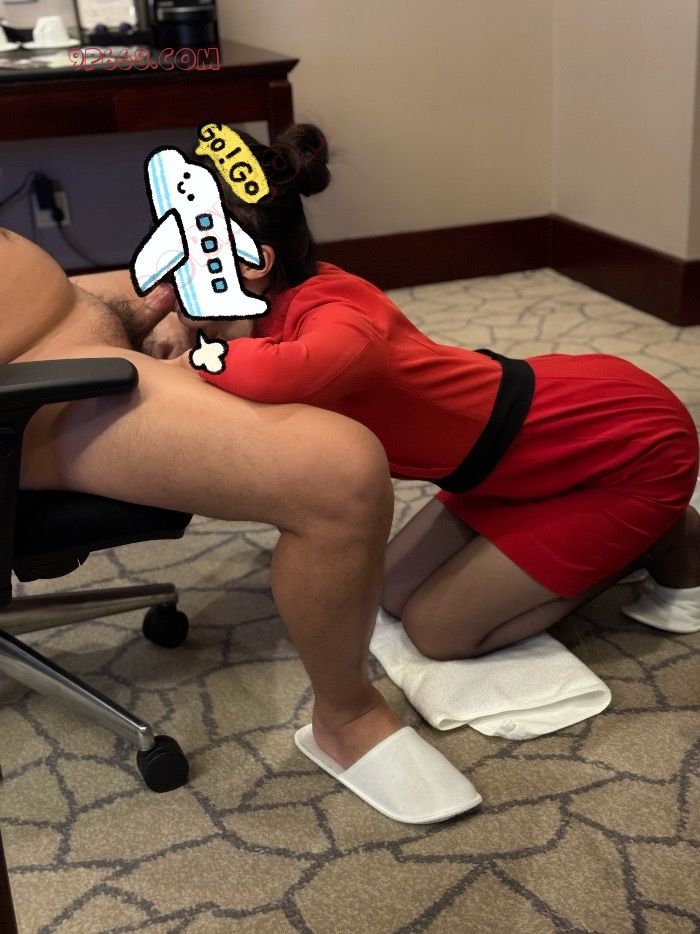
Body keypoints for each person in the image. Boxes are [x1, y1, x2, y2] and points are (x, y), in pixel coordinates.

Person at [151, 122, 700, 658]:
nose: (165, 274)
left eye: (182, 255)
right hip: (505, 461)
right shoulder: (273, 294)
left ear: (254, 264)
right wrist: (186, 321)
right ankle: (609, 529)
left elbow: (285, 370)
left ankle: (649, 539)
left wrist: (193, 357)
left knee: (439, 632)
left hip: (624, 442)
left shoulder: (337, 322)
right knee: (391, 591)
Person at [2, 222, 484, 824]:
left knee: (268, 290)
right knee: (337, 473)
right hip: (38, 401)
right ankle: (348, 718)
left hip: (64, 346)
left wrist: (136, 305)